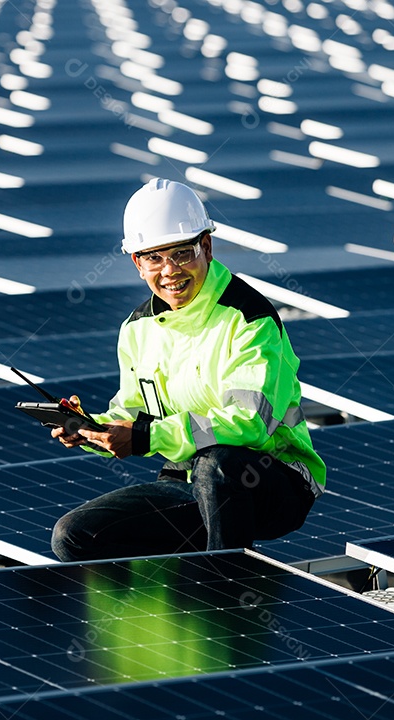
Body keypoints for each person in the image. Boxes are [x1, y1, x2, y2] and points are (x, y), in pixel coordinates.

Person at [50, 178, 325, 562]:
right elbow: (135, 412)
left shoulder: (249, 319)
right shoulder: (136, 329)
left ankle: (225, 598)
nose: (170, 271)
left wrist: (146, 438)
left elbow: (249, 423)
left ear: (206, 248)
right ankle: (171, 613)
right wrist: (92, 427)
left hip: (272, 481)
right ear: (137, 263)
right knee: (74, 536)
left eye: (182, 253)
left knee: (220, 465)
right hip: (191, 480)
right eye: (154, 258)